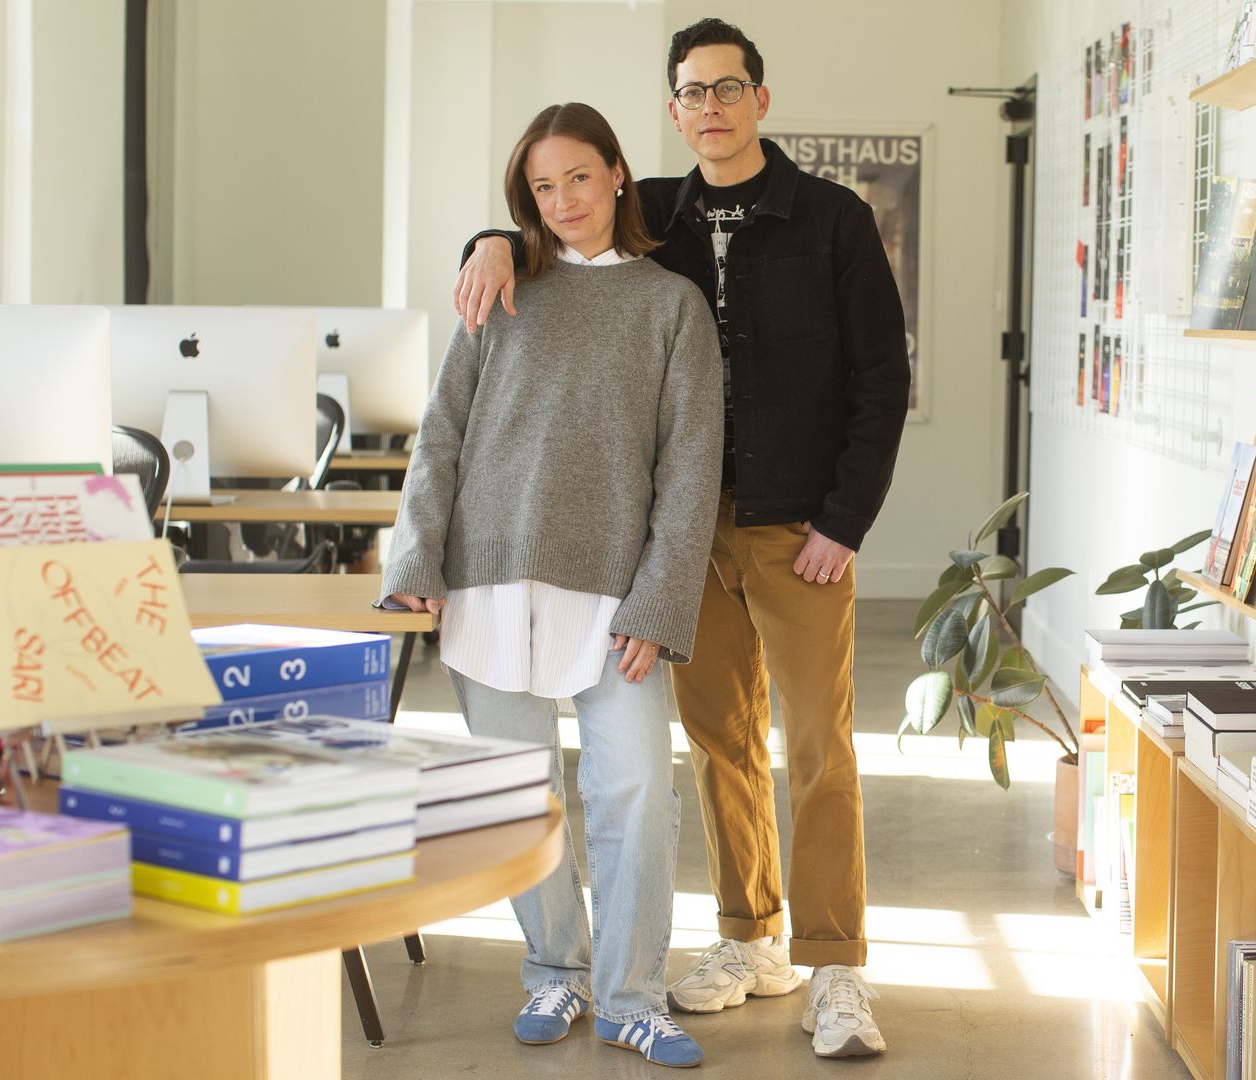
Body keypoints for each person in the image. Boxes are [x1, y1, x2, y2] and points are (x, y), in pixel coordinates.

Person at [453, 17, 909, 1060]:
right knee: (720, 740)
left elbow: (883, 379)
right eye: (692, 92)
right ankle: (751, 940)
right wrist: (482, 242)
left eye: (728, 88)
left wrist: (846, 519)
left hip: (799, 526)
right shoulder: (651, 207)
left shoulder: (833, 220)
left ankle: (837, 965)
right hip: (679, 526)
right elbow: (549, 223)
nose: (710, 107)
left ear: (760, 99)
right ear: (672, 112)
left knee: (821, 746)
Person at [383, 101, 722, 1069]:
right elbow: (442, 431)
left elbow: (690, 470)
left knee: (632, 797)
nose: (564, 199)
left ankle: (630, 996)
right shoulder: (504, 287)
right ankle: (555, 974)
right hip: (489, 583)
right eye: (542, 186)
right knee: (520, 799)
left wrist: (659, 604)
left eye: (579, 176)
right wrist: (416, 560)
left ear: (619, 174)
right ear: (522, 199)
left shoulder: (670, 306)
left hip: (615, 598)